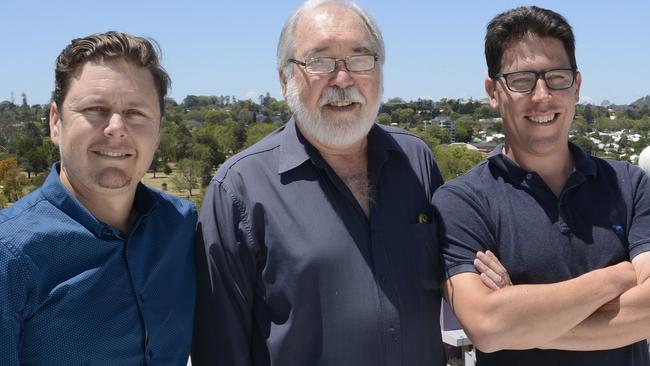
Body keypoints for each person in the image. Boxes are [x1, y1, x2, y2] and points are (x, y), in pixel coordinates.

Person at [192, 1, 446, 365]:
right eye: (320, 62)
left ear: (380, 72)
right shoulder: (239, 190)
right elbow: (220, 349)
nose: (342, 80)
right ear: (284, 80)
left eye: (360, 59)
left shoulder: (417, 161)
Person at [433, 6, 650, 366]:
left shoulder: (630, 185)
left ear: (577, 86)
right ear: (493, 91)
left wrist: (519, 317)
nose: (541, 96)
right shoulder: (461, 202)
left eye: (557, 77)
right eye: (521, 80)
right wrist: (617, 277)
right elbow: (486, 325)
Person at [0, 31, 196, 365]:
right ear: (55, 122)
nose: (116, 128)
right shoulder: (11, 256)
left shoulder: (183, 226)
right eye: (95, 109)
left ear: (159, 130)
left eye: (136, 112)